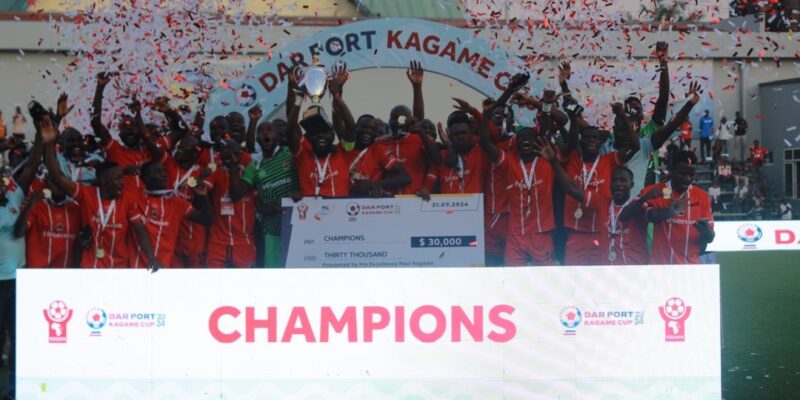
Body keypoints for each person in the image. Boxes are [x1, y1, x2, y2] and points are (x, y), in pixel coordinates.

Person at [42, 116, 160, 269]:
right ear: (103, 181)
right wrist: (49, 144)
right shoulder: (86, 194)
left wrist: (151, 258)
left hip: (118, 267)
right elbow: (58, 177)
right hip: (90, 266)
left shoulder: (127, 199)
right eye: (117, 179)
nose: (122, 182)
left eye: (121, 178)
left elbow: (140, 229)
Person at [559, 101, 640, 265]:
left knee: (600, 276)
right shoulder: (572, 159)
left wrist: (622, 115)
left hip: (602, 231)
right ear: (581, 141)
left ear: (600, 142)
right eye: (587, 138)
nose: (591, 141)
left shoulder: (609, 160)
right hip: (575, 232)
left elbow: (635, 146)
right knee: (573, 277)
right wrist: (573, 119)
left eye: (595, 138)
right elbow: (571, 142)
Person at [0, 117, 40, 400]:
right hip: (1, 282)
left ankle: (13, 387)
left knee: (18, 335)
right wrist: (30, 206)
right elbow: (17, 231)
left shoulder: (13, 192)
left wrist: (42, 139)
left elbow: (32, 166)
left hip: (19, 279)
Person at [243, 105, 301, 267]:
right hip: (272, 228)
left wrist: (300, 193)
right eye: (261, 131)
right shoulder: (255, 164)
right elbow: (254, 201)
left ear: (278, 136)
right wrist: (267, 207)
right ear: (258, 138)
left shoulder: (290, 154)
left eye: (270, 130)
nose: (266, 134)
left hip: (297, 224)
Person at [91, 73, 162, 200]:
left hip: (149, 206)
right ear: (119, 133)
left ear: (140, 129)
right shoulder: (115, 150)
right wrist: (100, 88)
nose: (128, 130)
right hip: (123, 206)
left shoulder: (150, 151)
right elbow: (96, 123)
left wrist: (138, 114)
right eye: (124, 128)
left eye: (132, 127)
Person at [129, 161, 213, 268]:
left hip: (164, 267)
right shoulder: (134, 197)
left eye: (164, 171)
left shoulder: (176, 203)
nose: (164, 174)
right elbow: (139, 230)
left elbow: (207, 220)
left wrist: (203, 197)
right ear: (145, 178)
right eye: (157, 171)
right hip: (137, 268)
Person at [643, 150, 715, 264]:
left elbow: (710, 237)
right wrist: (671, 211)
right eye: (683, 173)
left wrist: (705, 230)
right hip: (661, 267)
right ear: (672, 170)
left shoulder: (702, 196)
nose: (687, 178)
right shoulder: (658, 191)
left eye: (691, 174)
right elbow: (649, 215)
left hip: (690, 268)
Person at [205, 140, 257, 268]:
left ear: (241, 154)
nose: (230, 154)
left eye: (234, 152)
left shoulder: (249, 173)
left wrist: (234, 167)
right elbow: (202, 191)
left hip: (244, 242)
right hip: (218, 242)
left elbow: (236, 195)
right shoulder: (216, 172)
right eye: (226, 150)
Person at [19, 173, 81, 268]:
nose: (57, 185)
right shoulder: (35, 206)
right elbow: (19, 233)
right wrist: (29, 206)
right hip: (36, 271)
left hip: (63, 272)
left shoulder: (76, 210)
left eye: (60, 182)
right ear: (46, 184)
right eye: (53, 181)